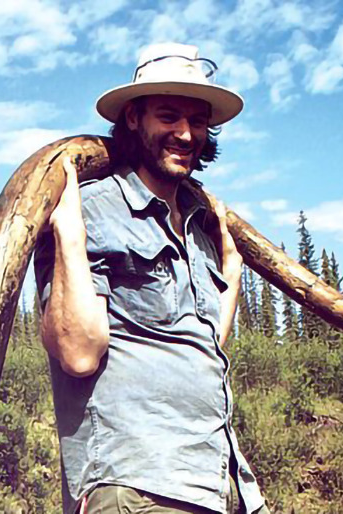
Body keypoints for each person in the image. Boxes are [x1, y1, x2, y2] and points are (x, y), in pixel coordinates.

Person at [34, 42, 268, 514]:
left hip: (218, 483)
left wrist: (233, 277)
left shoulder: (197, 228)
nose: (185, 133)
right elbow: (78, 354)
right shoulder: (93, 210)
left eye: (197, 122)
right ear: (134, 119)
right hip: (138, 487)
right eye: (168, 116)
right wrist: (71, 236)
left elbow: (201, 345)